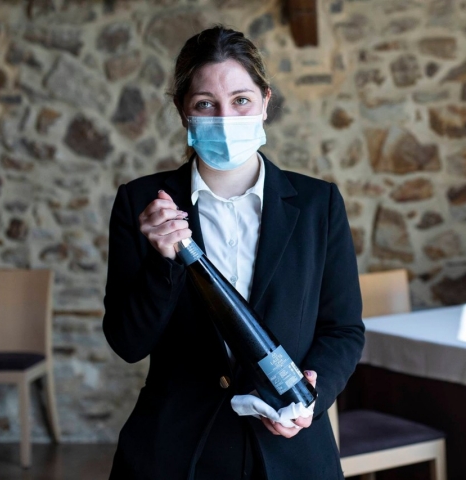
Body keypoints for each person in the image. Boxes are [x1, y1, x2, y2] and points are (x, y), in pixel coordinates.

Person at [103, 25, 365, 480]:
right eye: (206, 104)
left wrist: (312, 397)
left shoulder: (318, 205)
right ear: (183, 111)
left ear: (265, 101)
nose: (225, 117)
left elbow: (342, 329)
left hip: (291, 452)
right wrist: (164, 263)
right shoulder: (142, 203)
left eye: (241, 100)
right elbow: (128, 343)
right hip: (176, 450)